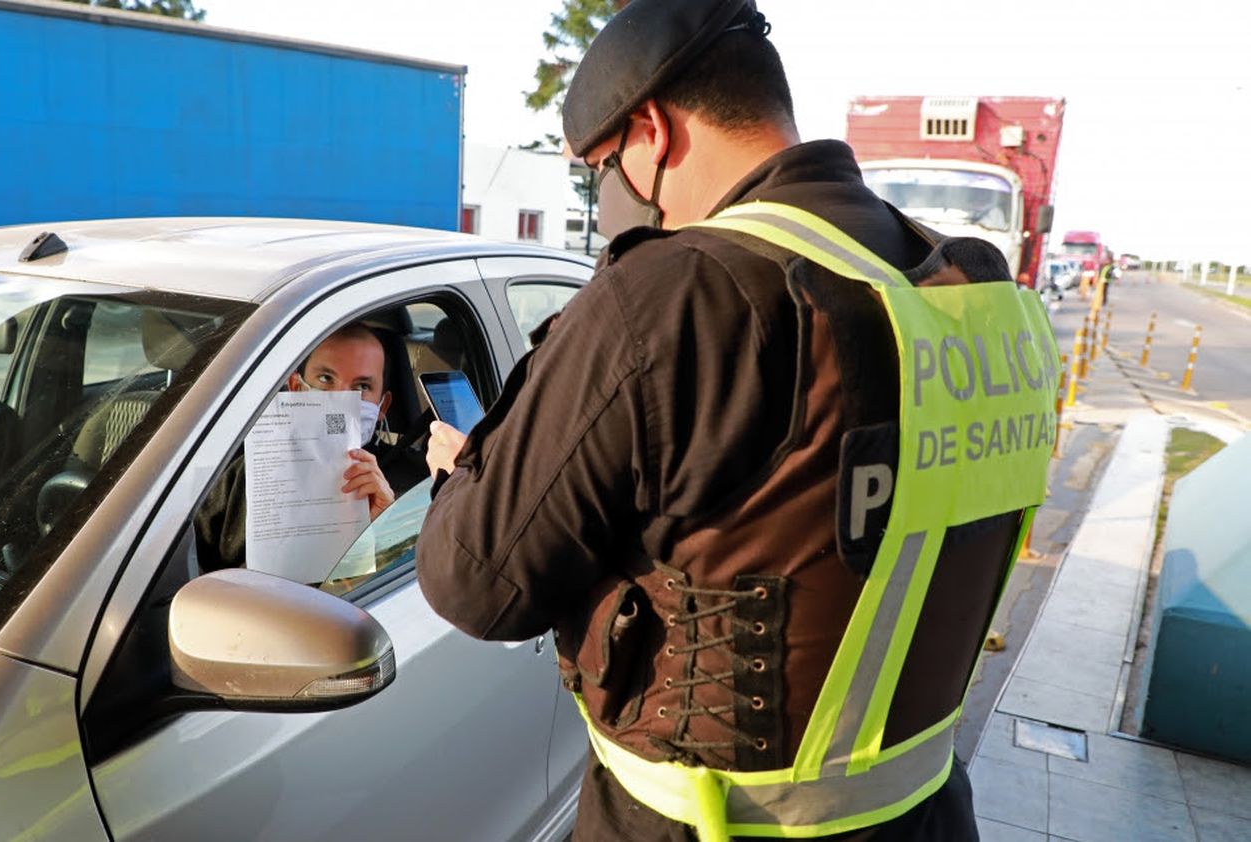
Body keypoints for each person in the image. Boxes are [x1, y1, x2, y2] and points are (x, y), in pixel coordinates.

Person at [414, 2, 1056, 840]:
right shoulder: (976, 294)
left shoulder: (675, 294)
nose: (605, 193)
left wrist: (475, 472)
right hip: (927, 810)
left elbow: (477, 585)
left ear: (654, 132)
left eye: (603, 166)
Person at [194, 323, 425, 572]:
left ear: (382, 406)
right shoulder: (245, 474)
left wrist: (383, 527)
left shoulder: (413, 491)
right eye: (326, 379)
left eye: (361, 387)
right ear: (295, 387)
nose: (339, 400)